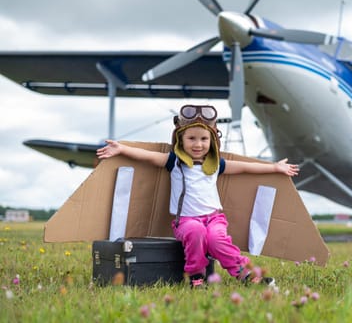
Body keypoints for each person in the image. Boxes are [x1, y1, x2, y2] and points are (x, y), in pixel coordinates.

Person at [96, 104, 299, 288]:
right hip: (186, 220)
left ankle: (244, 274)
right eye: (191, 138)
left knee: (217, 240)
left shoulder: (216, 164)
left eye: (203, 139)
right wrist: (121, 148)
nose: (198, 144)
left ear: (212, 141)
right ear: (181, 139)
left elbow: (246, 167)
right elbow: (148, 157)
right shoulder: (174, 162)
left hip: (214, 218)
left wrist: (274, 167)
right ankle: (196, 276)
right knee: (195, 232)